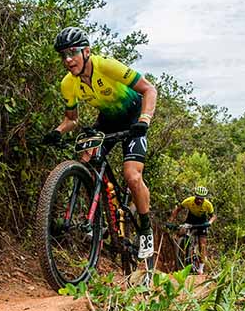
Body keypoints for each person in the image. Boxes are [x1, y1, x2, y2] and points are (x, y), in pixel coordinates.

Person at [42, 26, 158, 259]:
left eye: (73, 52)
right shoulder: (68, 83)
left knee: (132, 176)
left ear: (86, 51)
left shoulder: (106, 65)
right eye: (63, 54)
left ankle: (145, 230)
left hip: (133, 117)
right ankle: (99, 216)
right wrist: (57, 131)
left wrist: (144, 120)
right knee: (86, 157)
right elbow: (71, 119)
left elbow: (149, 89)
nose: (68, 59)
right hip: (107, 121)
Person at [169, 186, 217, 274]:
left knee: (202, 244)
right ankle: (180, 253)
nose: (199, 200)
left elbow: (213, 216)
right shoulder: (188, 201)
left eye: (201, 199)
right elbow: (177, 210)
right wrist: (170, 221)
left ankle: (201, 268)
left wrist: (209, 223)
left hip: (202, 223)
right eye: (198, 198)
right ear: (195, 196)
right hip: (190, 220)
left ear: (204, 199)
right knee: (180, 232)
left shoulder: (208, 205)